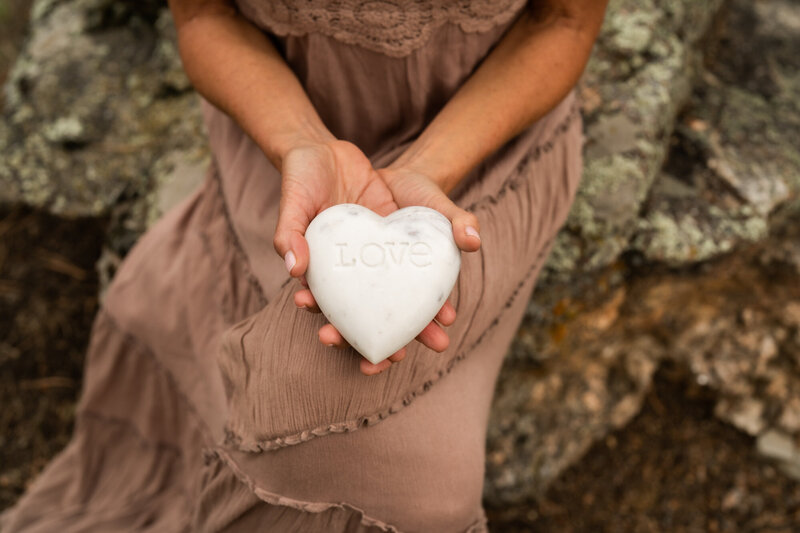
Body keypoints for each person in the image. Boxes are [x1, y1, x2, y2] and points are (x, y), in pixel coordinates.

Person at [1, 0, 608, 531]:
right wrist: (299, 143)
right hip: (285, 141)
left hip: (481, 144)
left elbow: (563, 20)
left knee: (406, 481)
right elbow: (205, 16)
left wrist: (428, 167)